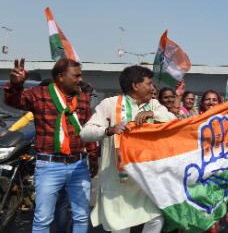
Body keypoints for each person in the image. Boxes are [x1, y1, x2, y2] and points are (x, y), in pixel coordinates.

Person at [4, 58, 98, 233]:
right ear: (61, 76)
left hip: (79, 165)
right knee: (43, 219)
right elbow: (14, 101)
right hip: (49, 166)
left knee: (82, 216)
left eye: (81, 75)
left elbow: (88, 131)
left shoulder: (83, 98)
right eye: (76, 75)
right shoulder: (39, 94)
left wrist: (93, 157)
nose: (80, 79)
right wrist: (15, 85)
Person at [80, 65, 176, 233]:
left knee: (156, 219)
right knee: (120, 228)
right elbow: (85, 133)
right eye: (149, 83)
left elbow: (175, 123)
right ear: (135, 85)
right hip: (118, 183)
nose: (153, 88)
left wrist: (155, 115)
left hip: (145, 182)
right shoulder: (109, 104)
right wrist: (109, 130)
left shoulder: (154, 105)